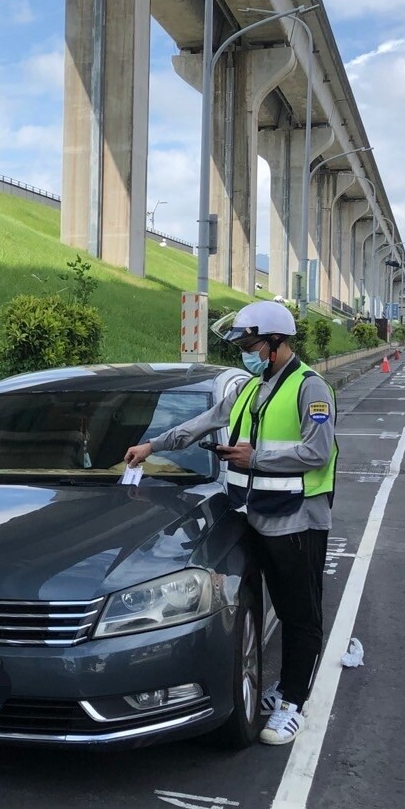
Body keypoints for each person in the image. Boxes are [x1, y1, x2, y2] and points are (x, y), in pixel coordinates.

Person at [124, 300, 337, 746]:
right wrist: (153, 445)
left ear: (277, 344)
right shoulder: (249, 388)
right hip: (257, 514)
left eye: (250, 343)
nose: (245, 350)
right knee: (277, 601)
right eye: (242, 343)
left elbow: (317, 452)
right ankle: (286, 688)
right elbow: (202, 423)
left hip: (299, 521)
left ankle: (294, 702)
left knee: (301, 614)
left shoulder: (309, 388)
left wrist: (255, 457)